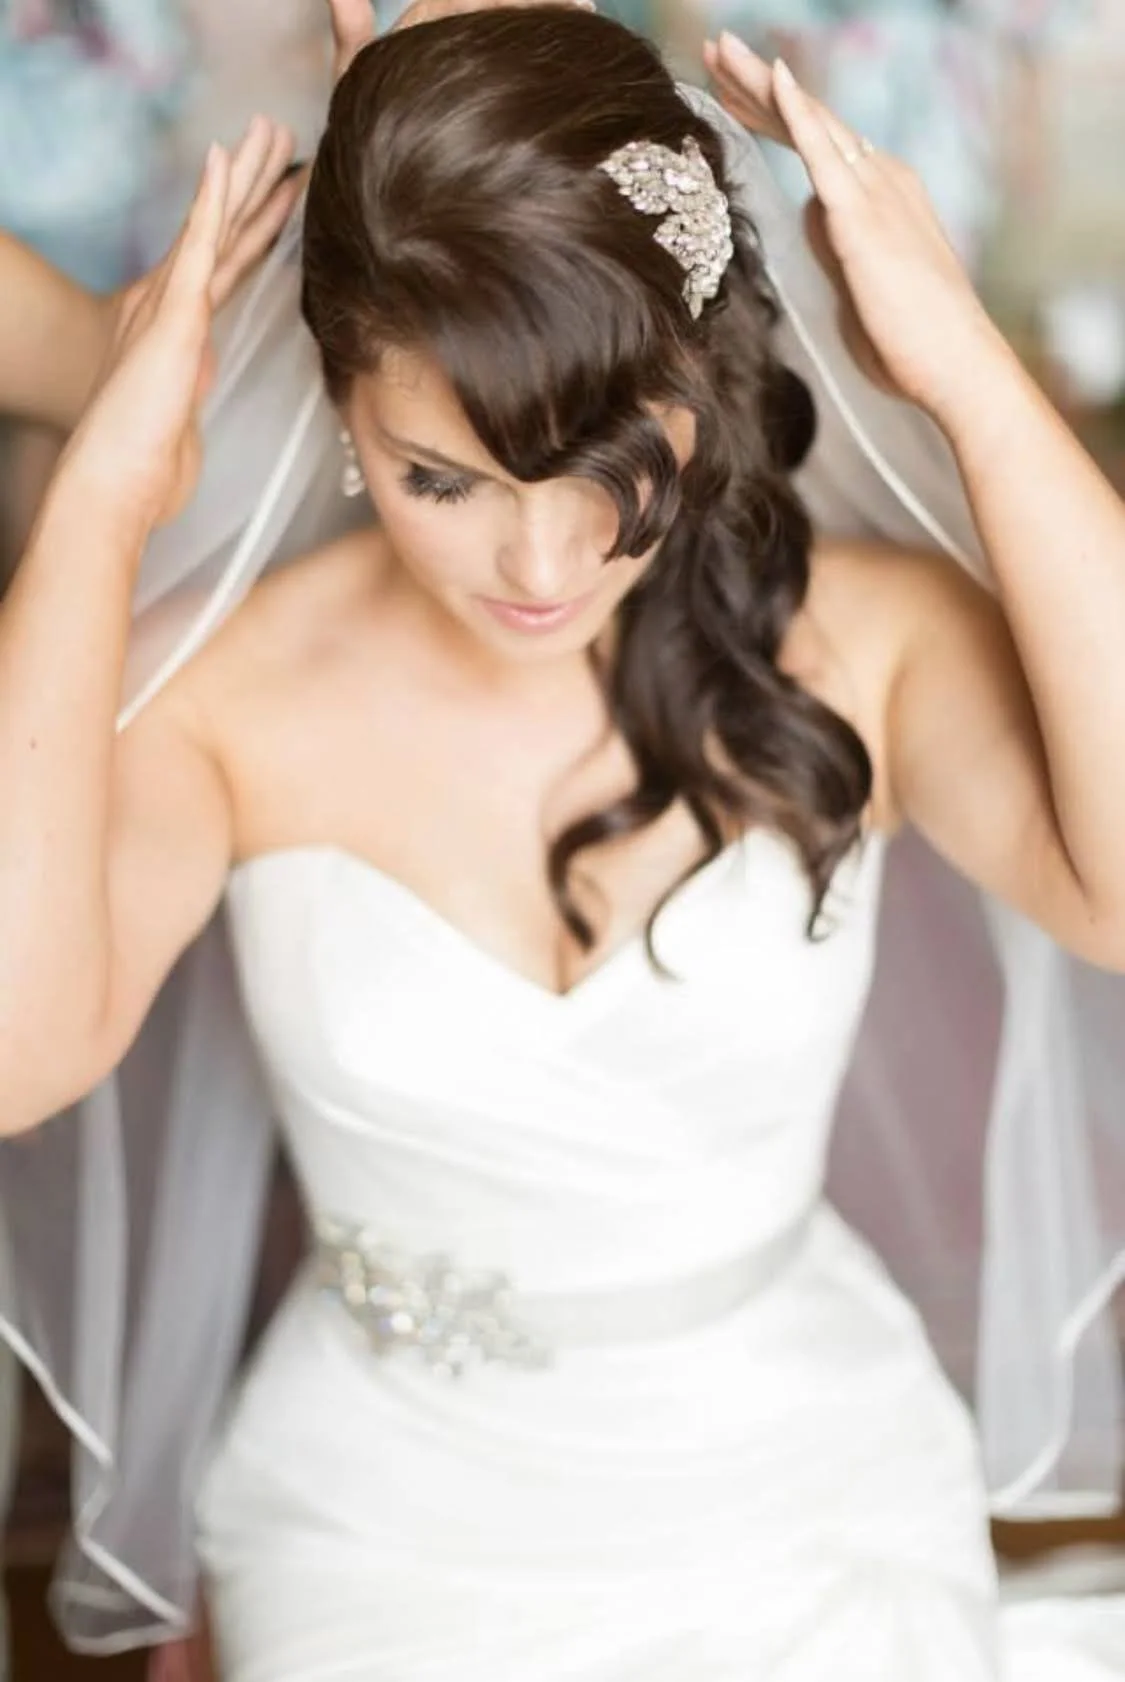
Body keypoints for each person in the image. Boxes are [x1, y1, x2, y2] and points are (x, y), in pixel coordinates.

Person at [1, 3, 1124, 1675]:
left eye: (610, 462)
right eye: (439, 479)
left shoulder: (863, 645)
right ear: (342, 404)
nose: (538, 565)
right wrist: (103, 496)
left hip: (807, 1477)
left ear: (701, 383)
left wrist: (965, 372)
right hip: (379, 1524)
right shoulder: (226, 698)